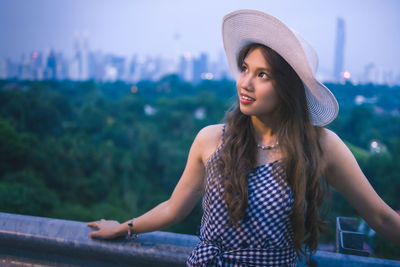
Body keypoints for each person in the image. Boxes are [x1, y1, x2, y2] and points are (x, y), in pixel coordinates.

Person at [87, 9, 400, 266]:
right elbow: (174, 208)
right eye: (245, 68)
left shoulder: (320, 146)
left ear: (288, 88)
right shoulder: (210, 139)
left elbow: (381, 217)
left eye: (262, 74)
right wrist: (124, 228)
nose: (245, 83)